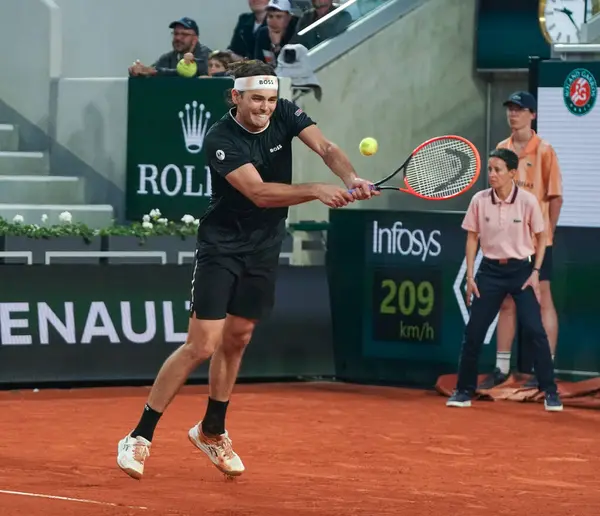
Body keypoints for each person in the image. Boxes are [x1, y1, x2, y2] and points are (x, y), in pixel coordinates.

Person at [116, 59, 378, 480]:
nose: (266, 107)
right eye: (257, 98)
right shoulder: (221, 137)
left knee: (238, 338)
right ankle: (139, 436)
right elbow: (257, 193)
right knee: (202, 345)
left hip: (265, 246)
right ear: (236, 96)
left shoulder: (287, 112)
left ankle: (211, 431)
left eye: (271, 99)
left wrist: (351, 177)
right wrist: (315, 190)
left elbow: (327, 148)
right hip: (221, 247)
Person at [446, 148, 563, 412]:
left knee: (535, 331)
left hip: (522, 272)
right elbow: (472, 237)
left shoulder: (529, 201)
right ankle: (463, 391)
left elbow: (542, 237)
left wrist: (536, 272)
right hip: (489, 272)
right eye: (490, 169)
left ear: (512, 173)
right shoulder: (479, 200)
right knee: (473, 333)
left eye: (497, 170)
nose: (492, 175)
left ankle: (550, 392)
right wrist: (470, 275)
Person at [478, 91, 563, 390]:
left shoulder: (545, 151)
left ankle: (546, 370)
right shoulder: (501, 149)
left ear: (533, 115)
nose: (513, 114)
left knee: (542, 300)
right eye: (510, 109)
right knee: (505, 304)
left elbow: (555, 197)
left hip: (536, 243)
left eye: (519, 109)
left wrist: (545, 234)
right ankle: (501, 369)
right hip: (506, 241)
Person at [128, 17, 211, 77]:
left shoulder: (206, 55)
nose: (178, 38)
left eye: (184, 34)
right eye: (176, 34)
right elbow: (151, 70)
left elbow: (191, 72)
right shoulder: (167, 58)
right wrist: (139, 71)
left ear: (195, 39)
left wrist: (155, 72)